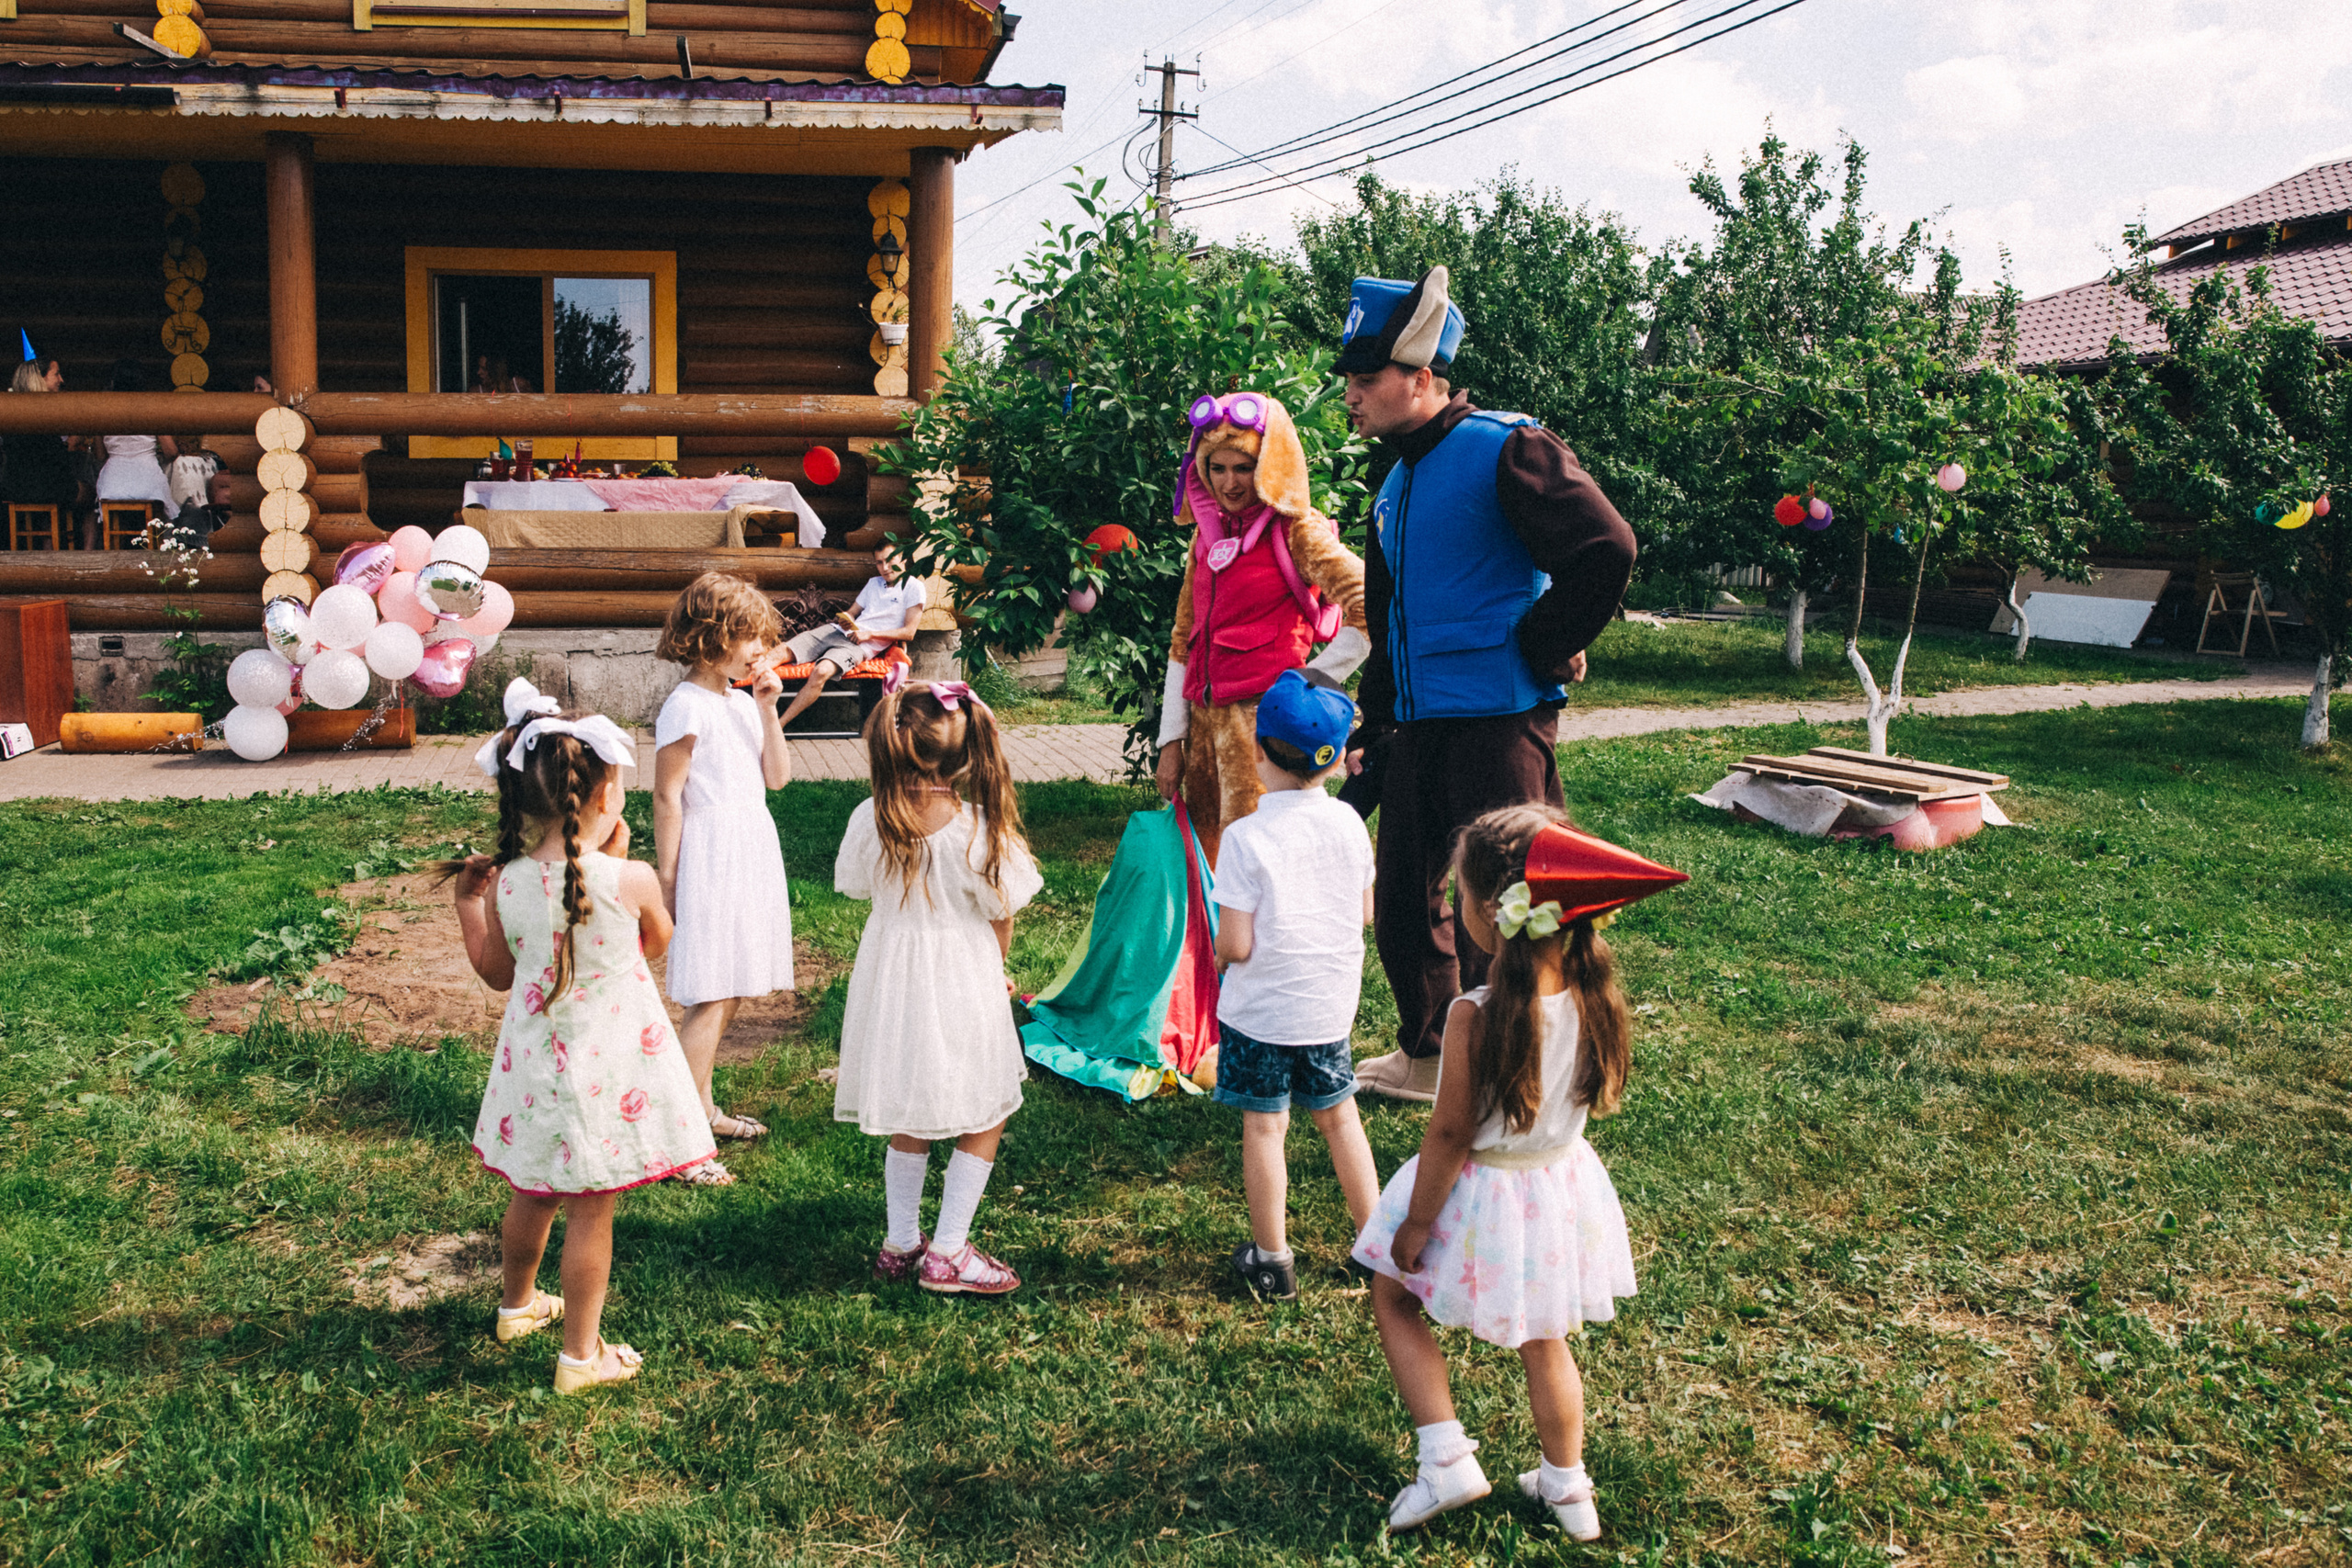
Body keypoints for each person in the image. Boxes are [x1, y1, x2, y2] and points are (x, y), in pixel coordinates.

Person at [1336, 267, 1639, 1103]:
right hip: (1418, 730)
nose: (1353, 398)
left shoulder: (1509, 447)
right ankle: (1434, 1053)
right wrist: (1376, 721)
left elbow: (1606, 547)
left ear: (1422, 377)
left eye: (1366, 380)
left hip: (1501, 724)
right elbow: (1390, 617)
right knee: (1402, 904)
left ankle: (1523, 1057)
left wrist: (1547, 644)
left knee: (1515, 907)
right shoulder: (1394, 485)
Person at [1351, 805, 1680, 1538]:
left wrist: (1417, 1221)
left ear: (1492, 913)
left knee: (1394, 1294)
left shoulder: (1475, 1014)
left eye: (1458, 895)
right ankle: (1569, 1489)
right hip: (1557, 1187)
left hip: (1484, 1191)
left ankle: (1445, 1457)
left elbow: (1449, 1134)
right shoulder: (1597, 996)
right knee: (1547, 1336)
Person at [441, 691, 717, 1394]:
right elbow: (657, 943)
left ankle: (516, 1306)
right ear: (605, 792)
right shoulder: (631, 878)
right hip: (608, 1065)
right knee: (592, 1206)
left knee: (534, 1189)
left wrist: (468, 903)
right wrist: (620, 868)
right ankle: (580, 1357)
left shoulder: (505, 883)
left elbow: (498, 972)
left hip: (534, 1063)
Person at [833, 677, 1041, 1296]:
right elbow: (1002, 911)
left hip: (893, 977)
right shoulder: (980, 829)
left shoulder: (871, 820)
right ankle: (948, 1249)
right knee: (990, 1105)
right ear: (970, 753)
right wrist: (996, 967)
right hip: (960, 977)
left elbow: (861, 887)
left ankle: (901, 1242)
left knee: (910, 1099)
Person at [1210, 670, 1381, 1302]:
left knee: (1265, 1128)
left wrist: (1220, 959)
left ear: (1257, 749)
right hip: (1327, 1010)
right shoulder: (1349, 826)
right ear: (1336, 760)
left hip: (1261, 1014)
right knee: (1341, 1119)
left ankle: (1272, 1261)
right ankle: (1374, 1245)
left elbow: (1237, 944)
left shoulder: (1245, 838)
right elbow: (1364, 912)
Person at [1153, 389, 1368, 868]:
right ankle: (1214, 947)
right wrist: (1172, 741)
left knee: (1258, 869)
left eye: (1244, 468)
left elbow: (1373, 606)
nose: (1229, 483)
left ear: (1272, 465)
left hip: (1264, 734)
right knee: (1206, 871)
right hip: (1204, 727)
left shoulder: (1297, 531)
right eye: (1217, 468)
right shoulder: (1205, 537)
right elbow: (1181, 639)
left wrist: (1302, 685)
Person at [652, 573, 794, 1185]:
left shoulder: (740, 702)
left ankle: (703, 1108)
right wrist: (667, 874)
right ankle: (679, 1139)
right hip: (710, 849)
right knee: (713, 989)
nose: (759, 647)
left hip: (750, 842)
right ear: (709, 638)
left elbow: (778, 777)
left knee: (731, 983)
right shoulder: (686, 704)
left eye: (762, 636)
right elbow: (666, 794)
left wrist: (768, 709)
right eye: (748, 636)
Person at [772, 539, 926, 730]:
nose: (885, 568)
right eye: (879, 562)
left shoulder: (914, 587)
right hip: (837, 631)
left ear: (903, 558)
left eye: (889, 560)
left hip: (860, 646)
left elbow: (909, 632)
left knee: (821, 672)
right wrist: (846, 618)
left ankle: (778, 725)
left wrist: (870, 635)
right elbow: (852, 612)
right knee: (779, 652)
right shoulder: (873, 583)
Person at [92, 360, 179, 547]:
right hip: (148, 482)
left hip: (113, 483)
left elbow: (100, 455)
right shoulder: (152, 410)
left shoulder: (103, 412)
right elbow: (171, 451)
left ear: (113, 383)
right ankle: (159, 551)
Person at [3, 357, 83, 537]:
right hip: (48, 488)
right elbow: (57, 460)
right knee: (94, 493)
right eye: (56, 374)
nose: (61, 380)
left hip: (15, 488)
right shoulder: (46, 414)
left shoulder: (10, 410)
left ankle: (47, 546)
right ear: (40, 379)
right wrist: (71, 444)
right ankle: (88, 551)